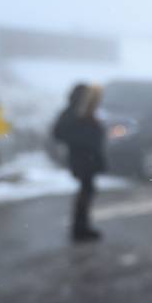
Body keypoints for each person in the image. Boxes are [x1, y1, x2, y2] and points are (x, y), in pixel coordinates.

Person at [53, 84, 106, 242]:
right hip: (82, 158)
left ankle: (82, 227)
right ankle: (79, 228)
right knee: (86, 190)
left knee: (88, 190)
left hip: (88, 158)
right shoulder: (73, 113)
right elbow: (59, 132)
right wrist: (83, 140)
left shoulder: (82, 112)